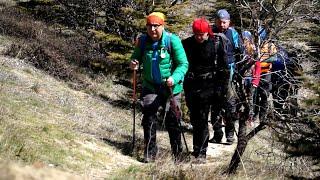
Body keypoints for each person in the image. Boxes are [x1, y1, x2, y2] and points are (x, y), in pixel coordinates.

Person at [130, 12, 189, 163]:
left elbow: (183, 64)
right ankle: (150, 153)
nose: (153, 30)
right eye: (149, 26)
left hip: (171, 88)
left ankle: (178, 155)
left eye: (156, 26)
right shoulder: (142, 41)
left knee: (173, 119)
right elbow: (135, 57)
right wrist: (134, 63)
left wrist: (174, 78)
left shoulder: (172, 40)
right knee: (149, 117)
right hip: (151, 86)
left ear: (162, 26)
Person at [183, 17, 227, 163]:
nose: (199, 37)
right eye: (196, 34)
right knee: (195, 118)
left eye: (202, 34)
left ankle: (201, 152)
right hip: (191, 85)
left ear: (207, 32)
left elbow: (223, 68)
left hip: (210, 86)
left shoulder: (216, 43)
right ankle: (197, 149)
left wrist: (221, 90)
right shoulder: (187, 44)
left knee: (202, 118)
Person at [209, 9, 243, 144]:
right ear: (215, 21)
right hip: (213, 74)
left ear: (229, 22)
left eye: (224, 22)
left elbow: (241, 53)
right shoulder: (210, 32)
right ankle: (217, 134)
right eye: (219, 22)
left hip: (230, 74)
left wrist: (238, 73)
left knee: (230, 105)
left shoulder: (233, 34)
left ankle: (230, 134)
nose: (222, 24)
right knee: (214, 105)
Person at [254, 27, 277, 123]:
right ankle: (253, 115)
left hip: (266, 72)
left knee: (264, 95)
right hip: (255, 73)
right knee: (254, 95)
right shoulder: (255, 45)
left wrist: (263, 60)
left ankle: (262, 117)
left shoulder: (270, 45)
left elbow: (274, 58)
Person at [241, 30, 261, 124]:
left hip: (251, 78)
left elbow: (257, 66)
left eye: (246, 38)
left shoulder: (253, 50)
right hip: (241, 77)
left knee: (251, 98)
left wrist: (256, 81)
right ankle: (240, 115)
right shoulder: (240, 50)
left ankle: (250, 117)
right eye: (243, 38)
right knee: (240, 97)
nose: (244, 41)